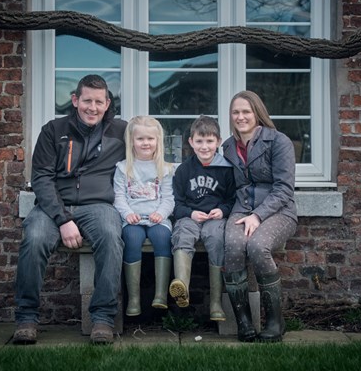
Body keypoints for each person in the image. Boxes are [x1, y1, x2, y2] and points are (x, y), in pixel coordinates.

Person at [13, 74, 127, 345]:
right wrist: (63, 219)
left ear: (108, 103)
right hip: (55, 206)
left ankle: (102, 319)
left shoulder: (121, 131)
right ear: (75, 100)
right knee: (35, 238)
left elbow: (151, 147)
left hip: (98, 205)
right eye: (87, 100)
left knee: (111, 238)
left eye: (99, 102)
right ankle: (26, 318)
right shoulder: (53, 130)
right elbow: (41, 177)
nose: (93, 107)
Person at [221, 91, 298, 343]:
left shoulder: (278, 141)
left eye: (246, 111)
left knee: (257, 245)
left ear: (257, 113)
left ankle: (275, 321)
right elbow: (226, 185)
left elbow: (284, 189)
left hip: (278, 211)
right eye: (236, 112)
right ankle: (244, 322)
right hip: (241, 210)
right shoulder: (228, 147)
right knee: (232, 246)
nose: (240, 117)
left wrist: (258, 215)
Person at [168, 116, 235, 321]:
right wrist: (190, 213)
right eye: (199, 141)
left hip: (215, 219)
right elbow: (176, 204)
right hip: (190, 216)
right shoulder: (184, 170)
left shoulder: (226, 169)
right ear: (191, 142)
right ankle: (182, 288)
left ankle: (216, 302)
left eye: (209, 141)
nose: (204, 147)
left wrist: (222, 211)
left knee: (216, 239)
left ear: (218, 142)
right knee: (182, 234)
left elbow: (233, 200)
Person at [113, 116, 175, 316]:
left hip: (158, 218)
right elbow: (118, 197)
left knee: (162, 238)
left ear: (158, 141)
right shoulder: (123, 168)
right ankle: (134, 299)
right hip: (134, 219)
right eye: (140, 139)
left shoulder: (165, 169)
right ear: (132, 141)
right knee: (131, 239)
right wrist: (128, 213)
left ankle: (160, 295)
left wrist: (161, 213)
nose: (146, 143)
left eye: (150, 139)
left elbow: (169, 199)